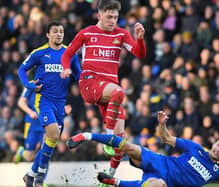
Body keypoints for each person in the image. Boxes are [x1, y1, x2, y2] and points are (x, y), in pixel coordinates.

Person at [60, 0, 146, 181]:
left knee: (121, 141)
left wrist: (139, 38)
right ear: (99, 15)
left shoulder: (121, 34)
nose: (113, 20)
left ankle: (109, 177)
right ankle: (106, 137)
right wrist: (66, 68)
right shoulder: (86, 33)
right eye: (109, 16)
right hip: (90, 83)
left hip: (109, 88)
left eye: (115, 17)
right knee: (119, 93)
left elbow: (139, 54)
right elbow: (67, 54)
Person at [66, 111, 219, 187]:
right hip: (160, 161)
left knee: (156, 186)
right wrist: (162, 123)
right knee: (130, 147)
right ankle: (86, 135)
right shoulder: (195, 148)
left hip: (165, 181)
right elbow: (165, 137)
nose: (217, 149)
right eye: (218, 144)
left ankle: (116, 181)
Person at [18, 21, 81, 187]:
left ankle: (30, 174)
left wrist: (82, 79)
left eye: (61, 31)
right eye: (55, 31)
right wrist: (29, 85)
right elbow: (21, 70)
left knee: (51, 140)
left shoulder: (70, 53)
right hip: (44, 100)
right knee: (53, 135)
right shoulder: (39, 53)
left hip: (60, 103)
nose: (59, 34)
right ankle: (39, 176)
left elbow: (79, 75)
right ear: (48, 35)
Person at [13, 84, 45, 163]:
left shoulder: (51, 83)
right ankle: (21, 152)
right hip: (32, 124)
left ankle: (41, 172)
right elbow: (21, 102)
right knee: (29, 156)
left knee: (45, 148)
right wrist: (30, 112)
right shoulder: (30, 84)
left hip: (45, 122)